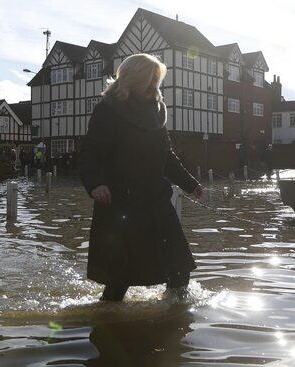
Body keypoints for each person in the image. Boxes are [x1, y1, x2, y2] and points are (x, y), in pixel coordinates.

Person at [79, 53, 204, 302]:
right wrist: (96, 183)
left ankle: (175, 319)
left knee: (178, 267)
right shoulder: (109, 109)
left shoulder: (156, 112)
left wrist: (190, 184)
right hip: (120, 203)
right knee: (120, 277)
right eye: (148, 79)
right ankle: (107, 320)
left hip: (155, 200)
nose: (153, 86)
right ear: (132, 79)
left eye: (156, 80)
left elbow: (166, 156)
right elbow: (90, 151)